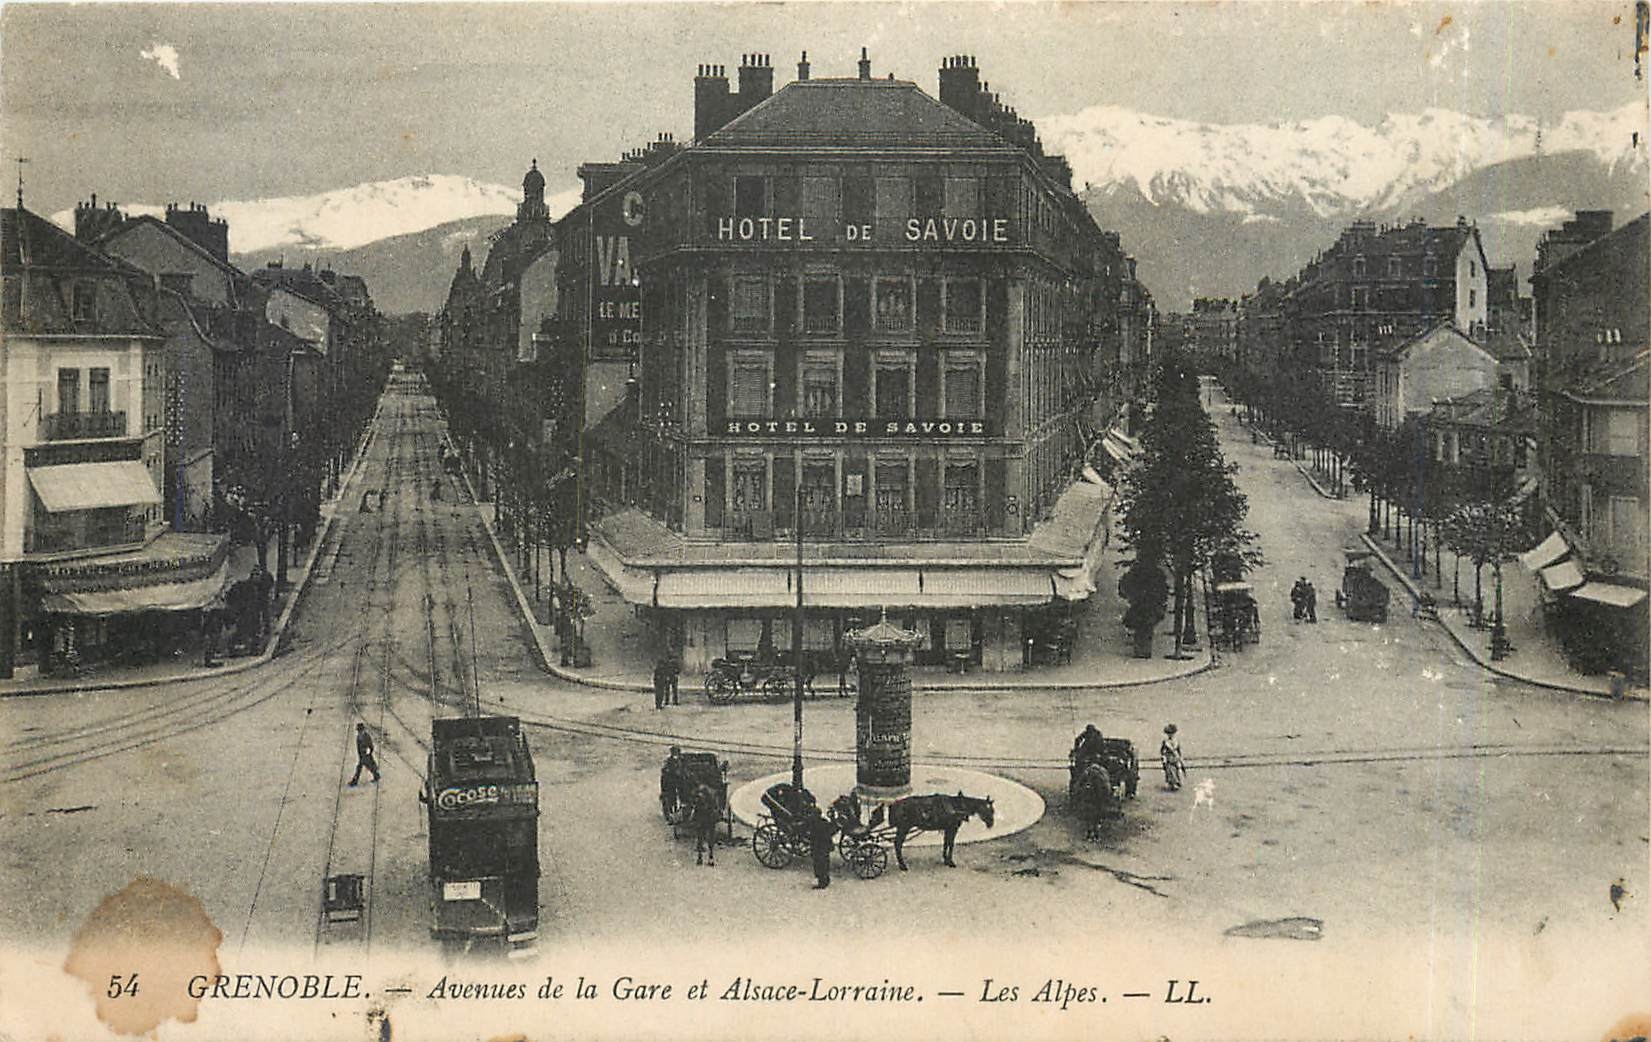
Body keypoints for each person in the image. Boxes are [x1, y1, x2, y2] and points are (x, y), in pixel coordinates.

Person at [805, 806, 838, 889]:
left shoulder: (813, 824)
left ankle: (822, 882)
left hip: (818, 848)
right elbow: (832, 830)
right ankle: (825, 880)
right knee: (824, 864)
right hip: (824, 847)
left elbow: (810, 835)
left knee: (819, 865)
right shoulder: (823, 822)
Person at [1160, 724, 1185, 792]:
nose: (1170, 735)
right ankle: (1171, 783)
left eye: (1171, 733)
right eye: (1169, 734)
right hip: (1169, 758)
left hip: (1175, 758)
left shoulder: (1176, 741)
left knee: (1176, 770)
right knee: (1169, 771)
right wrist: (1163, 757)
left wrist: (1180, 757)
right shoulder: (1165, 741)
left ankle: (1176, 782)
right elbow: (1162, 750)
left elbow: (1179, 750)